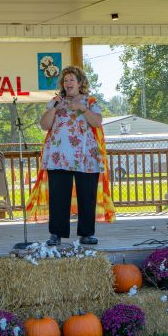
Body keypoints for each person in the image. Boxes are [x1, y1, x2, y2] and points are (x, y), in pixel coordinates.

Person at [33, 65, 111, 246]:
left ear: (80, 83)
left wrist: (81, 108)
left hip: (85, 156)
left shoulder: (90, 101)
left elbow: (97, 122)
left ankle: (86, 233)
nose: (68, 83)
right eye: (65, 80)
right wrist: (55, 108)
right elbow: (44, 125)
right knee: (58, 196)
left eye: (71, 80)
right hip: (59, 156)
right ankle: (56, 234)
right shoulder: (54, 101)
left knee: (87, 194)